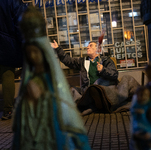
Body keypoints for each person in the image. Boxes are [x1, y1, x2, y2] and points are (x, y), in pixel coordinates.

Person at [12, 6, 91, 150]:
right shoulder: (82, 61)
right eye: (29, 53)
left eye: (35, 52)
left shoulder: (104, 61)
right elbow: (68, 60)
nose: (32, 57)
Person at [0, 0, 27, 120]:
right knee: (8, 74)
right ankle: (8, 110)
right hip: (8, 44)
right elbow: (21, 26)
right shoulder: (14, 2)